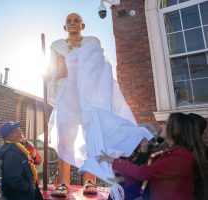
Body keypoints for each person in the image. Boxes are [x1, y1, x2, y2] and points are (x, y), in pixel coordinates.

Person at [46, 13, 153, 198]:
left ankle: (90, 180)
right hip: (66, 95)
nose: (72, 23)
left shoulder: (92, 42)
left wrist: (73, 66)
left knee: (91, 136)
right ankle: (63, 183)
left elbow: (97, 67)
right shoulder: (57, 45)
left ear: (82, 24)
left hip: (89, 95)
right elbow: (57, 71)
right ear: (64, 27)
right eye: (69, 21)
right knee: (64, 137)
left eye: (76, 21)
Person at [97, 112, 208, 200]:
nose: (161, 126)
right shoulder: (171, 152)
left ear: (175, 129)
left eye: (165, 123)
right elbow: (150, 172)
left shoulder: (181, 157)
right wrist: (122, 178)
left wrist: (113, 160)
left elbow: (144, 173)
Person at [0, 122, 43, 200]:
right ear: (11, 135)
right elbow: (13, 180)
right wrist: (28, 187)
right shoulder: (11, 153)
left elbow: (38, 161)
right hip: (21, 196)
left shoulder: (18, 149)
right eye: (17, 130)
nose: (20, 131)